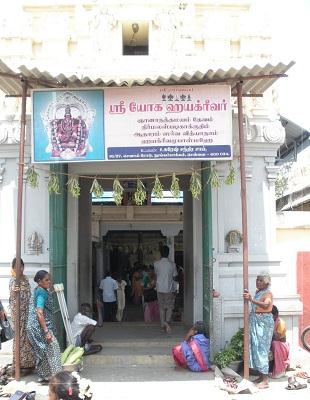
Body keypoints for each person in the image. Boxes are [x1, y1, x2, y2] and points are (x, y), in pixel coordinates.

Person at [27, 270, 62, 383]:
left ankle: (45, 376)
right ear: (39, 281)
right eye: (46, 280)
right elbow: (39, 312)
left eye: (49, 279)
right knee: (53, 349)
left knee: (43, 351)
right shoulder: (41, 293)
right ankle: (58, 379)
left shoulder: (39, 290)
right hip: (39, 327)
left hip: (33, 326)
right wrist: (46, 331)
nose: (49, 282)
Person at [243, 272, 274, 389]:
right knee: (256, 348)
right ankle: (261, 377)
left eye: (260, 280)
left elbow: (266, 305)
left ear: (266, 282)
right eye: (257, 280)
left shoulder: (268, 293)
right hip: (256, 322)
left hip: (263, 323)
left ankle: (265, 380)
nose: (257, 282)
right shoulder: (258, 292)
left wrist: (251, 299)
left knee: (262, 350)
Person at [9, 258, 35, 373]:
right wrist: (14, 291)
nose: (20, 269)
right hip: (18, 314)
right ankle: (18, 364)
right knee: (19, 337)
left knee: (27, 337)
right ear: (13, 268)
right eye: (17, 267)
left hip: (27, 312)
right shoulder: (13, 280)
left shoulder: (25, 278)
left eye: (21, 266)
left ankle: (28, 364)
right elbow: (13, 294)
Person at [154, 245, 178, 334]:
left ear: (160, 253)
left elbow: (156, 276)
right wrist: (176, 289)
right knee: (169, 307)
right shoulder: (172, 264)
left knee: (161, 307)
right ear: (168, 253)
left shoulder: (156, 264)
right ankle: (167, 322)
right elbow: (175, 277)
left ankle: (162, 325)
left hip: (159, 288)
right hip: (169, 288)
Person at [270, 305, 290, 378]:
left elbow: (276, 337)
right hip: (272, 344)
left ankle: (280, 371)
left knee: (274, 343)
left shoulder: (280, 322)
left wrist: (270, 326)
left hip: (281, 345)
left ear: (275, 315)